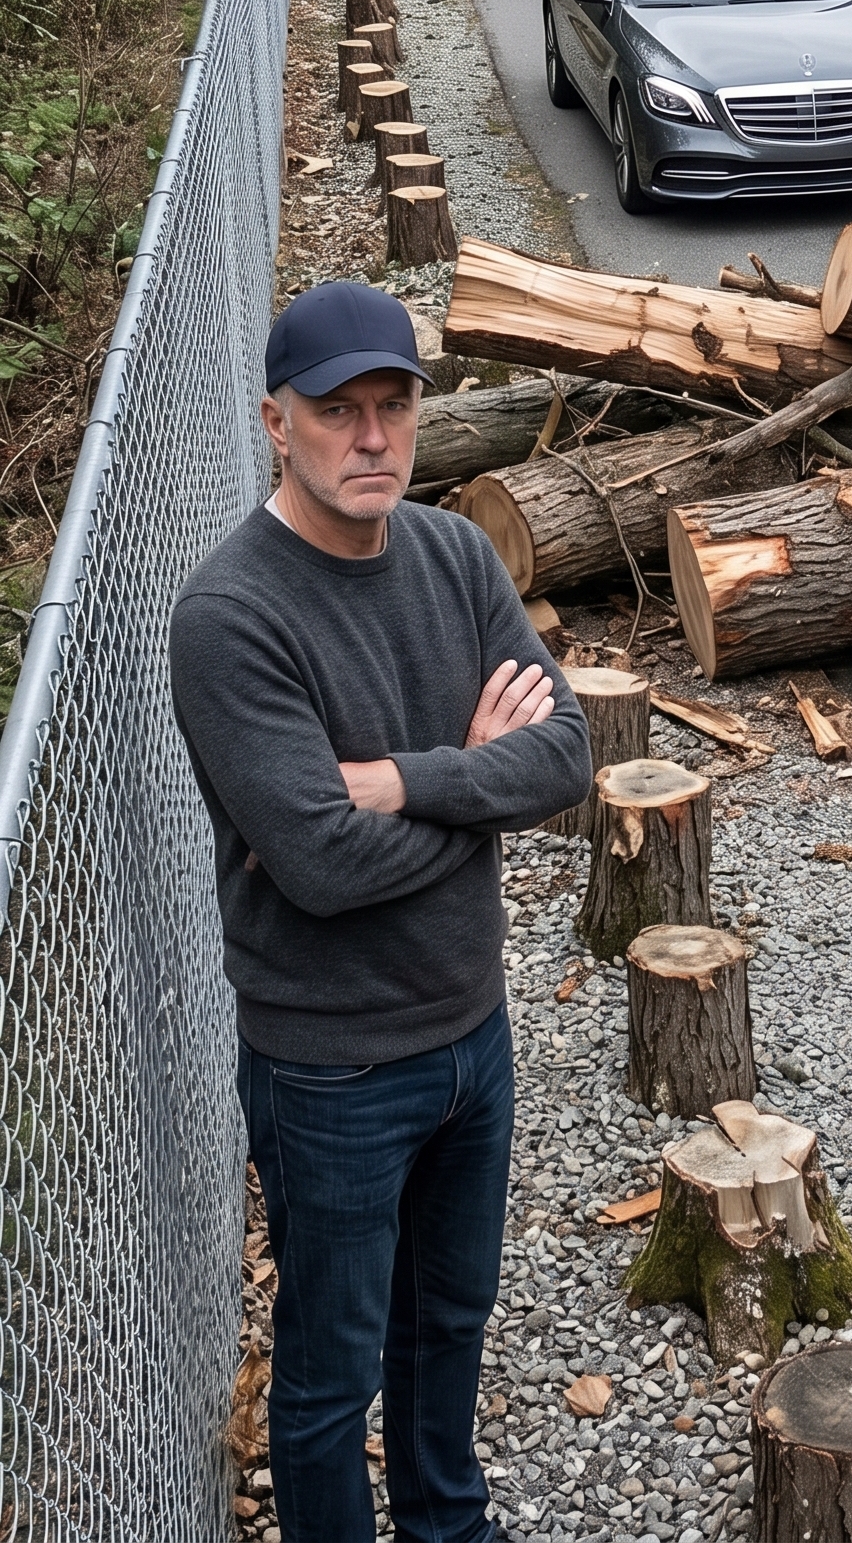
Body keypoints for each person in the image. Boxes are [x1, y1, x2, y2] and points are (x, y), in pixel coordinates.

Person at [169, 281, 592, 1543]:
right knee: (326, 1380)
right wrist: (475, 789)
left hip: (473, 1034)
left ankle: (445, 1527)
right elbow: (319, 866)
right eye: (335, 410)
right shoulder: (231, 616)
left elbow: (564, 755)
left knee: (448, 1324)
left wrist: (411, 778)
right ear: (274, 423)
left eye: (392, 405)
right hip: (333, 1068)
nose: (370, 438)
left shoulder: (456, 555)